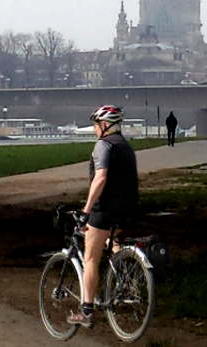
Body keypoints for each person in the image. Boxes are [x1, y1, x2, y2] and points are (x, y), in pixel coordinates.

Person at [68, 105, 139, 328]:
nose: (94, 129)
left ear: (104, 125)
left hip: (104, 209)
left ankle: (86, 311)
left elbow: (100, 178)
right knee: (111, 241)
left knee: (91, 259)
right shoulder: (127, 147)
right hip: (127, 208)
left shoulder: (103, 145)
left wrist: (87, 210)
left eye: (96, 125)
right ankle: (125, 278)